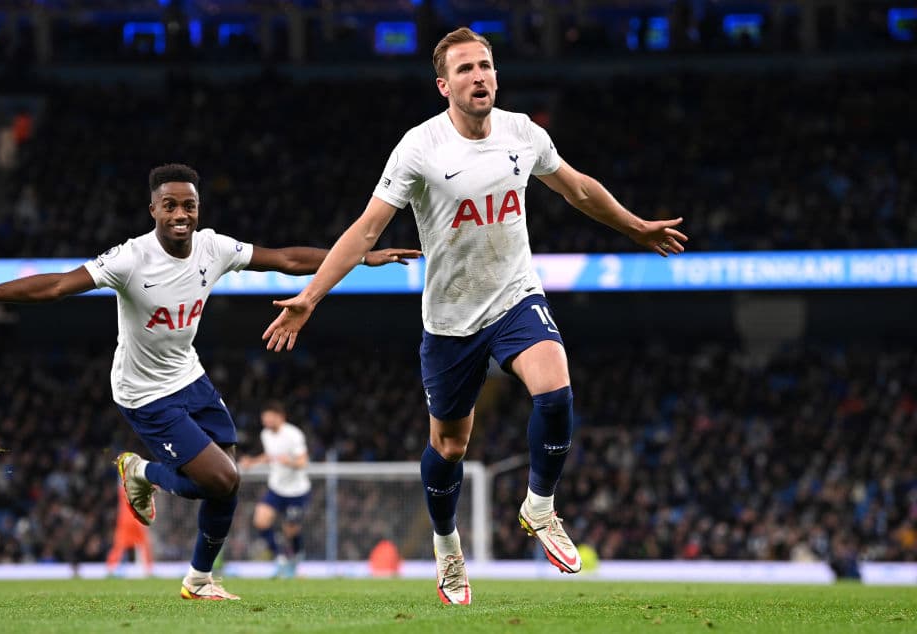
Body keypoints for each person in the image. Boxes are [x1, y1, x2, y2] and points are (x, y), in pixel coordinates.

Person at [262, 28, 689, 605]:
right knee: (449, 447)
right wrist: (311, 296)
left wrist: (635, 226)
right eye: (464, 70)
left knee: (557, 390)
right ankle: (447, 549)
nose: (479, 76)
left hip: (515, 295)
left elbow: (577, 190)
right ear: (444, 86)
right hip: (450, 317)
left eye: (485, 65)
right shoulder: (419, 148)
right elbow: (366, 228)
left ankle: (540, 506)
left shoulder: (522, 132)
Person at [0, 163, 421, 601]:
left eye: (189, 205)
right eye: (170, 205)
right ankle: (141, 472)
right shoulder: (129, 259)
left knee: (227, 482)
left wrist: (360, 257)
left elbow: (287, 259)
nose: (181, 213)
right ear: (153, 210)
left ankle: (199, 581)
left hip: (190, 375)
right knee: (222, 480)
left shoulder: (214, 247)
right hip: (143, 393)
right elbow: (56, 285)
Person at [237, 400, 311, 578]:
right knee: (261, 520)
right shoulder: (266, 435)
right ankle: (280, 557)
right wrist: (252, 462)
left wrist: (290, 462)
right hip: (276, 488)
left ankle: (297, 557)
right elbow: (270, 456)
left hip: (296, 491)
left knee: (290, 530)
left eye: (270, 417)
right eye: (265, 418)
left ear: (280, 417)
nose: (267, 421)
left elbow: (303, 461)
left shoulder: (294, 435)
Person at [106, 481, 154, 578]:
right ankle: (148, 570)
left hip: (125, 519)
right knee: (144, 544)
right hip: (137, 519)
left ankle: (110, 569)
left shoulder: (123, 484)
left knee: (119, 546)